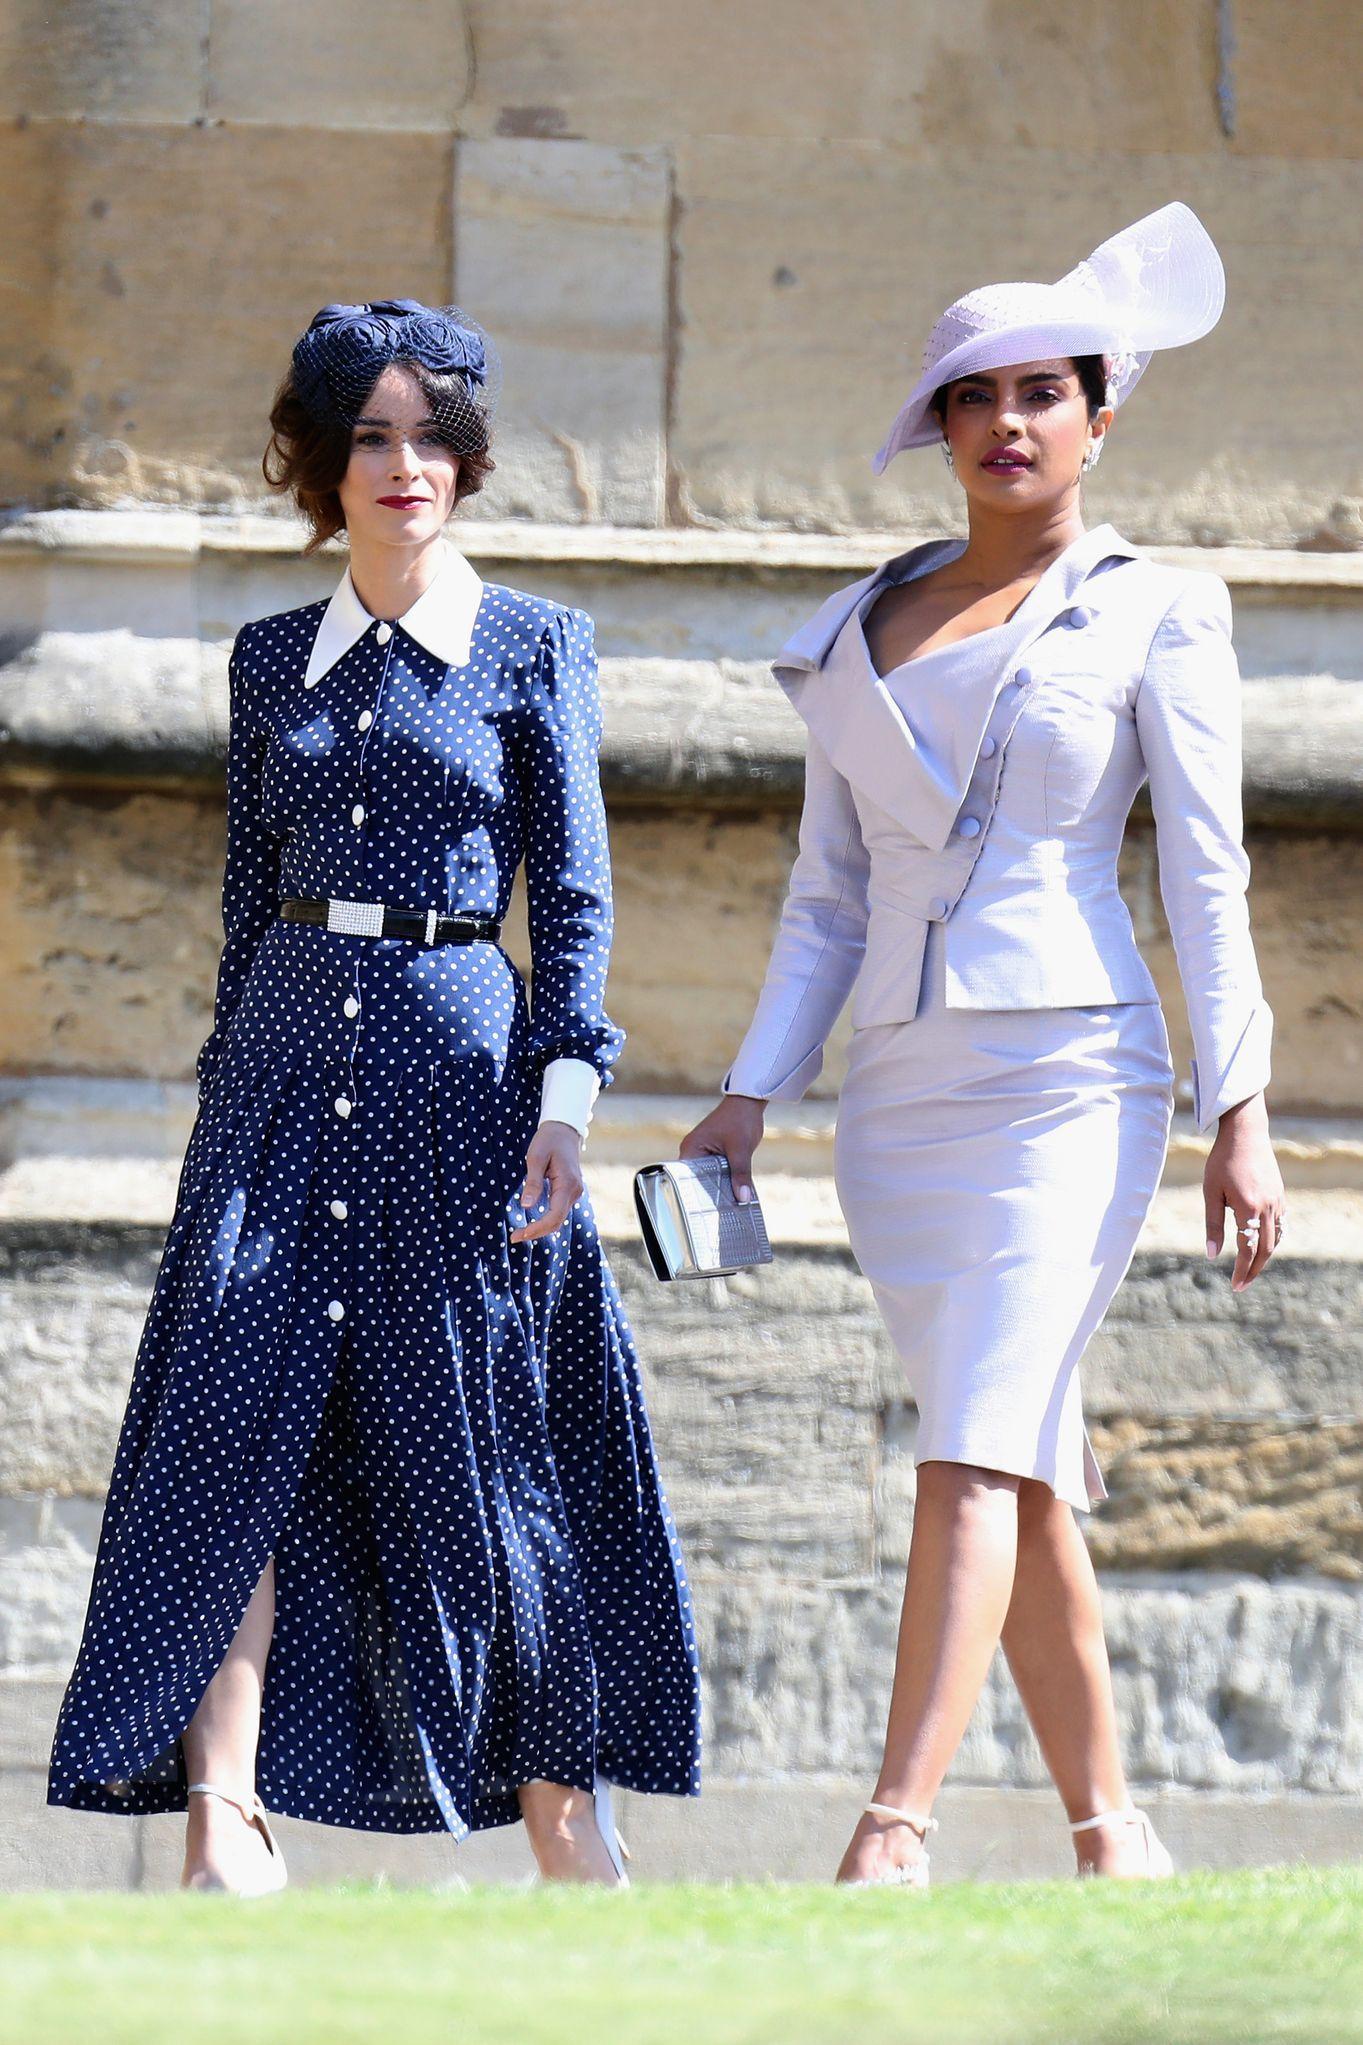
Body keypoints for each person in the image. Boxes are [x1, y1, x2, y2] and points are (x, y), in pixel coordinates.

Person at [49, 299, 700, 1893]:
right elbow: (240, 903)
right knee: (229, 1431)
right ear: (320, 465)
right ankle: (226, 1811)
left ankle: (561, 1805)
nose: (405, 465)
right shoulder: (268, 659)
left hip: (471, 1082)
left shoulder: (539, 647)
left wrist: (566, 1097)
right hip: (277, 1076)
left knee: (491, 1434)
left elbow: (581, 905)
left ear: (468, 461)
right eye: (370, 436)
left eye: (432, 437)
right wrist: (223, 1107)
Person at [683, 205, 1282, 1888]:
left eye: (1043, 391)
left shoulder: (1162, 604)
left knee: (969, 1448)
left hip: (1079, 1077)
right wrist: (747, 1093)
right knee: (1017, 1456)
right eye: (975, 396)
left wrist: (1243, 1103)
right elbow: (825, 899)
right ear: (937, 428)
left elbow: (1209, 870)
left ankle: (894, 1830)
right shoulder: (858, 620)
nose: (1009, 422)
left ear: (1102, 413)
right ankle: (1116, 1832)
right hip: (900, 1100)